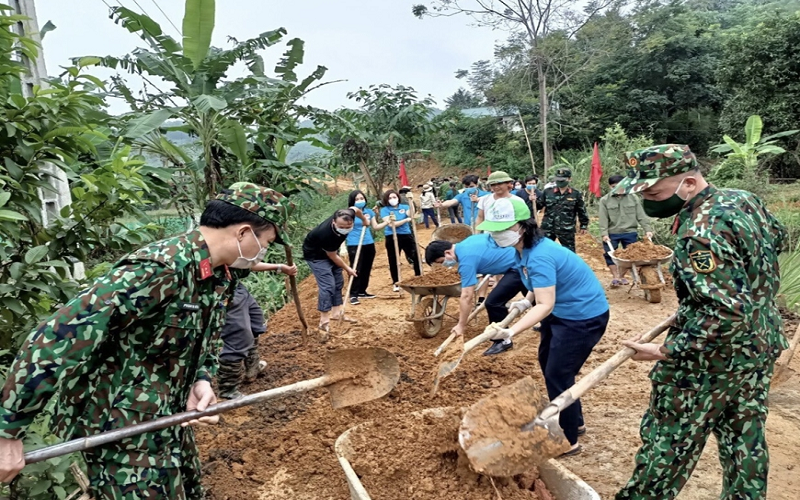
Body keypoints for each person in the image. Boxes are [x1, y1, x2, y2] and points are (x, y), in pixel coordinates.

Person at [0, 183, 292, 498]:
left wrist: (201, 380)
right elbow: (57, 337)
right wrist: (7, 431)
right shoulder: (160, 268)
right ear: (244, 233)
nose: (265, 251)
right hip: (120, 432)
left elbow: (204, 337)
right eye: (266, 242)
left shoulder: (218, 276)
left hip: (166, 419)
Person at [611, 144, 788, 499]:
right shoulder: (743, 200)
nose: (649, 200)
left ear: (689, 183)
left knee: (668, 445)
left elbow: (725, 312)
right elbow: (777, 239)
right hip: (757, 348)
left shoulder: (699, 233)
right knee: (745, 441)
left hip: (708, 363)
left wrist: (665, 349)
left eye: (655, 192)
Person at [481, 197, 609, 455]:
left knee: (558, 373)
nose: (496, 234)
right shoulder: (523, 251)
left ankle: (568, 440)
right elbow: (535, 286)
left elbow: (546, 305)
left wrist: (511, 331)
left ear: (523, 227)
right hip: (563, 312)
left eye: (502, 229)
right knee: (549, 364)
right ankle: (576, 420)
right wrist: (524, 302)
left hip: (582, 317)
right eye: (493, 229)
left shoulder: (541, 254)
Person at [302, 208, 367, 336]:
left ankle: (336, 313)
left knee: (338, 282)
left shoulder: (349, 213)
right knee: (328, 286)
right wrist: (348, 269)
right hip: (316, 256)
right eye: (341, 226)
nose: (344, 228)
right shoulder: (326, 233)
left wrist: (364, 220)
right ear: (334, 222)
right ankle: (324, 321)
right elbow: (332, 256)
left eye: (348, 226)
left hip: (331, 251)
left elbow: (356, 209)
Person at [598, 174, 654, 287]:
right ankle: (615, 277)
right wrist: (604, 234)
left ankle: (621, 276)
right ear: (610, 186)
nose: (617, 188)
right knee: (610, 255)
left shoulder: (633, 198)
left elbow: (641, 215)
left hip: (630, 232)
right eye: (614, 186)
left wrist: (647, 229)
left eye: (620, 185)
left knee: (630, 257)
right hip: (612, 233)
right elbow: (603, 218)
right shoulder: (605, 200)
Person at [218, 283, 268, 400]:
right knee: (237, 336)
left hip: (237, 286)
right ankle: (227, 391)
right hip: (223, 290)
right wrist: (279, 268)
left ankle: (252, 367)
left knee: (255, 323)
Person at [346, 190, 388, 305]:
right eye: (357, 199)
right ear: (352, 201)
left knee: (366, 268)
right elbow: (343, 229)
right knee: (356, 268)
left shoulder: (369, 212)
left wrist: (388, 222)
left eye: (362, 199)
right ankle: (353, 294)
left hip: (368, 243)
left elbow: (376, 226)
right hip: (354, 243)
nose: (360, 201)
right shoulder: (348, 213)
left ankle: (362, 291)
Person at [537, 167, 590, 252]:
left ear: (569, 179)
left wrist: (583, 225)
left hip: (566, 229)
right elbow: (538, 206)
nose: (560, 181)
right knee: (544, 251)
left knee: (569, 253)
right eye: (558, 179)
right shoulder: (548, 192)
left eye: (563, 179)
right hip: (548, 228)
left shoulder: (575, 194)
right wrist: (533, 199)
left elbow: (581, 210)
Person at [380, 190, 422, 292]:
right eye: (390, 198)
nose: (393, 200)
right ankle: (396, 282)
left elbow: (411, 213)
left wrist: (411, 201)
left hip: (406, 235)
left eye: (394, 197)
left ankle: (419, 277)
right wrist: (405, 220)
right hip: (391, 236)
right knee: (393, 259)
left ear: (398, 198)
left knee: (415, 256)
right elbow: (390, 224)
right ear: (386, 200)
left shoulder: (404, 207)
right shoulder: (385, 210)